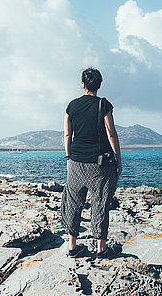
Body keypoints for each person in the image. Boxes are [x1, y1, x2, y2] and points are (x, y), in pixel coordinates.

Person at [61, 67, 122, 259]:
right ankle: (101, 248)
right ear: (99, 85)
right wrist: (119, 159)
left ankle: (72, 247)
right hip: (100, 164)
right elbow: (111, 133)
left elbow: (67, 134)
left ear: (82, 84)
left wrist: (69, 157)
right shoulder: (103, 105)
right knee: (100, 202)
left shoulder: (72, 106)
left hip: (76, 161)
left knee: (72, 202)